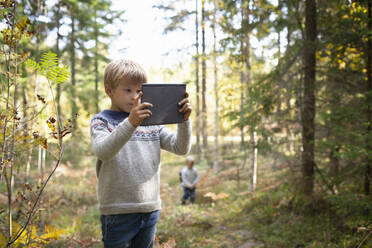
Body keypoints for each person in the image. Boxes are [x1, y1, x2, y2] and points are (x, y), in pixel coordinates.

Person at [90, 59, 192, 248]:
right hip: (117, 213)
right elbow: (103, 151)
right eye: (127, 90)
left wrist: (183, 121)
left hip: (150, 209)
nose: (134, 96)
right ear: (109, 91)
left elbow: (180, 148)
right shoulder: (101, 121)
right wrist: (131, 123)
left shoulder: (150, 122)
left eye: (139, 91)